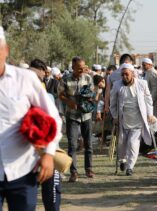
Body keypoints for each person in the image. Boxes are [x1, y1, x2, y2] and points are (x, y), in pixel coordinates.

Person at [0, 26, 62, 210]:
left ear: (6, 50)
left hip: (23, 169)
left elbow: (53, 118)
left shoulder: (25, 79)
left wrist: (49, 154)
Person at [110, 63, 155, 176]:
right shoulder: (117, 85)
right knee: (122, 144)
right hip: (123, 120)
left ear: (133, 74)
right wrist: (115, 116)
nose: (124, 77)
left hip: (138, 120)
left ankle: (130, 167)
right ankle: (122, 160)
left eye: (127, 74)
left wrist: (150, 114)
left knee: (133, 144)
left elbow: (148, 100)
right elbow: (113, 103)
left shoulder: (142, 84)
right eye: (122, 74)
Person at [30, 59, 62, 211]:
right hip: (25, 158)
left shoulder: (47, 97)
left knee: (51, 196)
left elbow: (56, 124)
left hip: (47, 152)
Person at [58, 56, 94, 182]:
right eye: (79, 68)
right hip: (72, 115)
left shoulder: (88, 78)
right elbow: (60, 94)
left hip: (86, 115)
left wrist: (89, 98)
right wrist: (69, 102)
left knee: (88, 143)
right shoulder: (65, 79)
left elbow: (91, 93)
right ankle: (74, 172)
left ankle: (89, 169)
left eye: (84, 67)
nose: (82, 70)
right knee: (72, 145)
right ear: (73, 67)